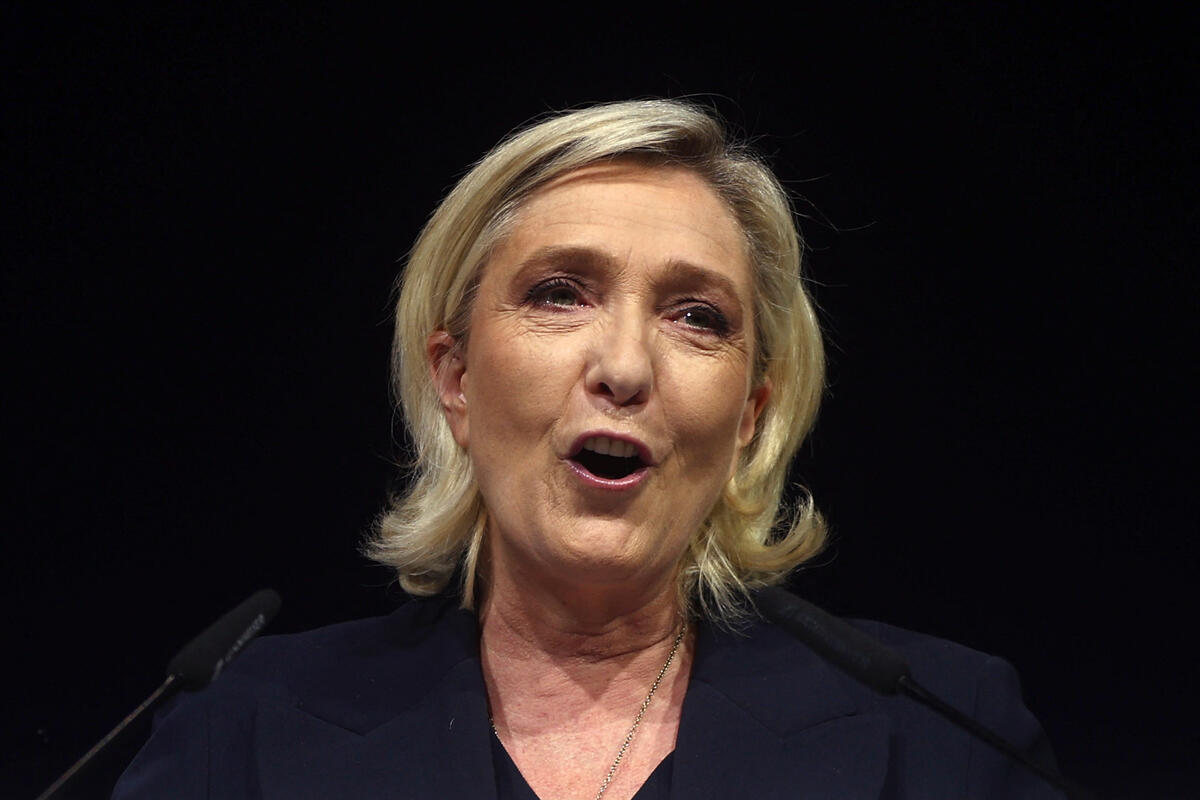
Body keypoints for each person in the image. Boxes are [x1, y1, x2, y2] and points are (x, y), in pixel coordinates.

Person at [113, 100, 1063, 799]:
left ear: (748, 414)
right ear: (456, 379)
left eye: (696, 317)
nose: (625, 367)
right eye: (560, 293)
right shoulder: (236, 733)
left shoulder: (946, 737)